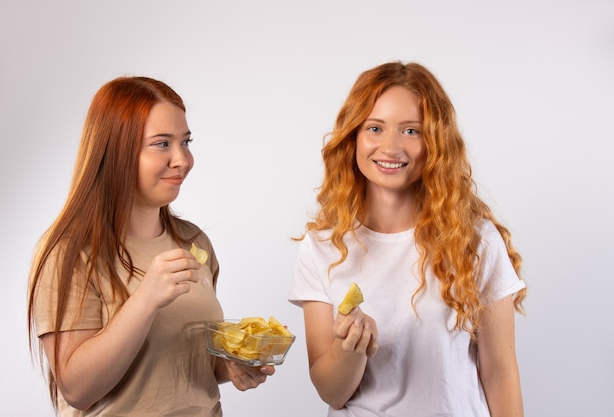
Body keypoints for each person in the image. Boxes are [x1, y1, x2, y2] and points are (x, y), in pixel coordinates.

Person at [289, 62, 526, 417]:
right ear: (353, 137)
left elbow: (500, 376)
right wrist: (350, 349)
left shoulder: (475, 240)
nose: (390, 147)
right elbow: (332, 392)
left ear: (436, 143)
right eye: (374, 128)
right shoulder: (322, 248)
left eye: (411, 131)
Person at [27, 76, 275, 416]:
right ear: (114, 151)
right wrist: (146, 299)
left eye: (186, 142)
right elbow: (77, 389)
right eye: (162, 144)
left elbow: (192, 362)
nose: (182, 160)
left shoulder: (194, 242)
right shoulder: (69, 253)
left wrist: (233, 366)